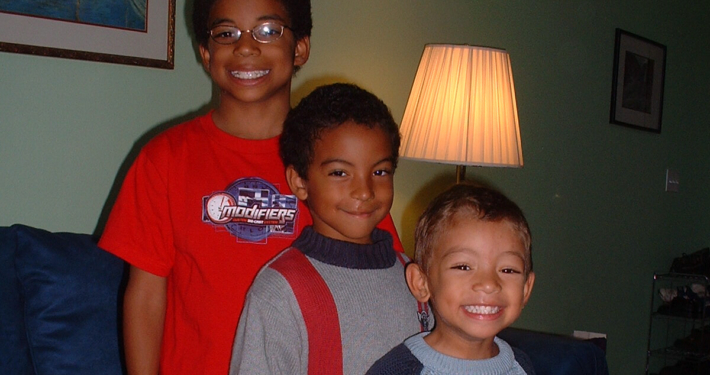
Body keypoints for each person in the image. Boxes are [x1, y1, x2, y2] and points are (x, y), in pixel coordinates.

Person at [97, 1, 403, 374]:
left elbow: (380, 283)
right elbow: (145, 297)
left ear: (301, 47)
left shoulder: (341, 163)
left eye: (268, 30)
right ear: (206, 53)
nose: (246, 47)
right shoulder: (164, 158)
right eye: (226, 33)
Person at [229, 83, 428, 374]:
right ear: (300, 182)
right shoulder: (281, 291)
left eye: (380, 171)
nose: (364, 191)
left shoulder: (417, 279)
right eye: (339, 173)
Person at [367, 184, 537, 375]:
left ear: (526, 289)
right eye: (463, 267)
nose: (489, 284)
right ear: (421, 282)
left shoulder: (521, 366)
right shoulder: (398, 371)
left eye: (508, 269)